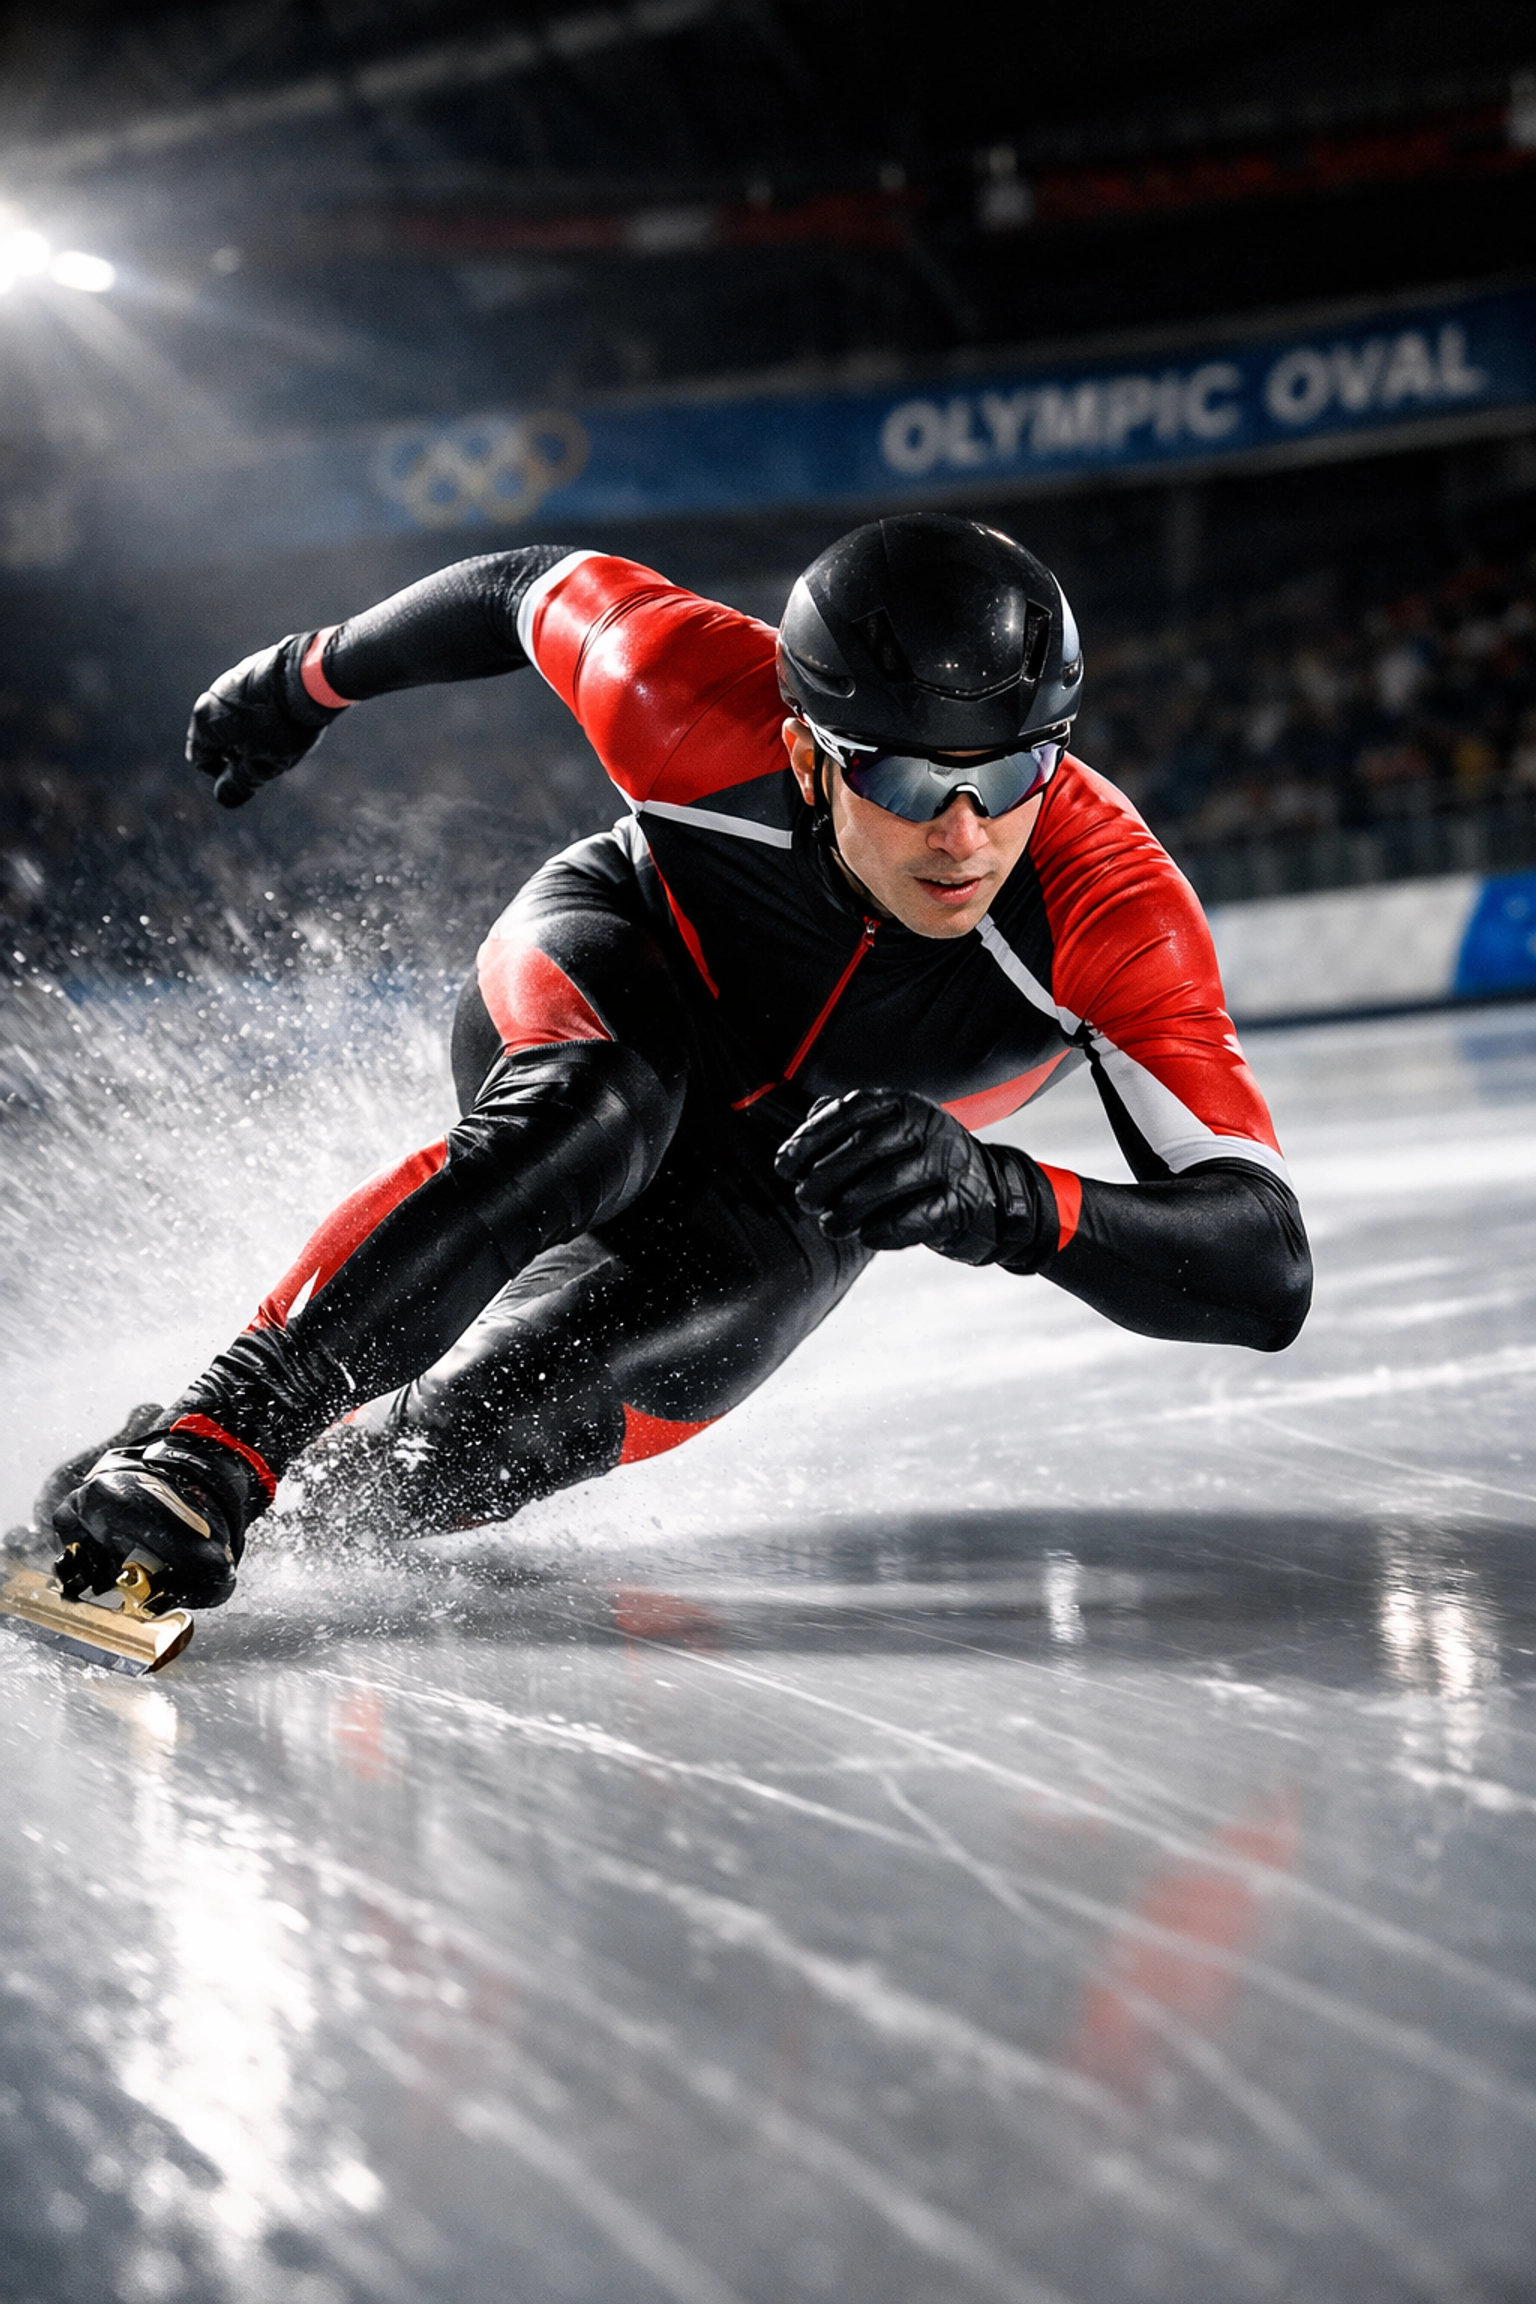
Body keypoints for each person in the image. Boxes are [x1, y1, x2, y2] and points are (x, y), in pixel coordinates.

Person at [48, 514, 1312, 1614]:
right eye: (911, 777)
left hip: (799, 1176)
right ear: (809, 749)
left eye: (1017, 767)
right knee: (592, 1111)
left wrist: (1005, 1201)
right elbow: (517, 588)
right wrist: (302, 678)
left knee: (494, 1439)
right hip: (626, 973)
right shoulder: (689, 691)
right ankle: (217, 1439)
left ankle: (243, 1494)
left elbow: (1266, 1270)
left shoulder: (1111, 907)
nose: (966, 834)